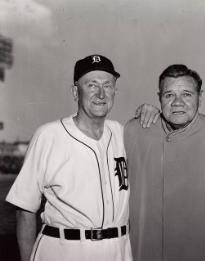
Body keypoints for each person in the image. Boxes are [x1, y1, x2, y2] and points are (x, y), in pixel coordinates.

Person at [6, 54, 132, 261]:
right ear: (75, 92)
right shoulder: (49, 135)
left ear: (115, 91)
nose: (101, 93)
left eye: (108, 85)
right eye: (92, 85)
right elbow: (24, 209)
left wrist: (150, 111)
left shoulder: (122, 133)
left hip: (119, 249)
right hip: (65, 249)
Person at [124, 64, 205, 261]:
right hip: (147, 254)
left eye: (186, 94)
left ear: (200, 96)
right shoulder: (135, 131)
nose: (177, 103)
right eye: (169, 95)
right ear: (159, 98)